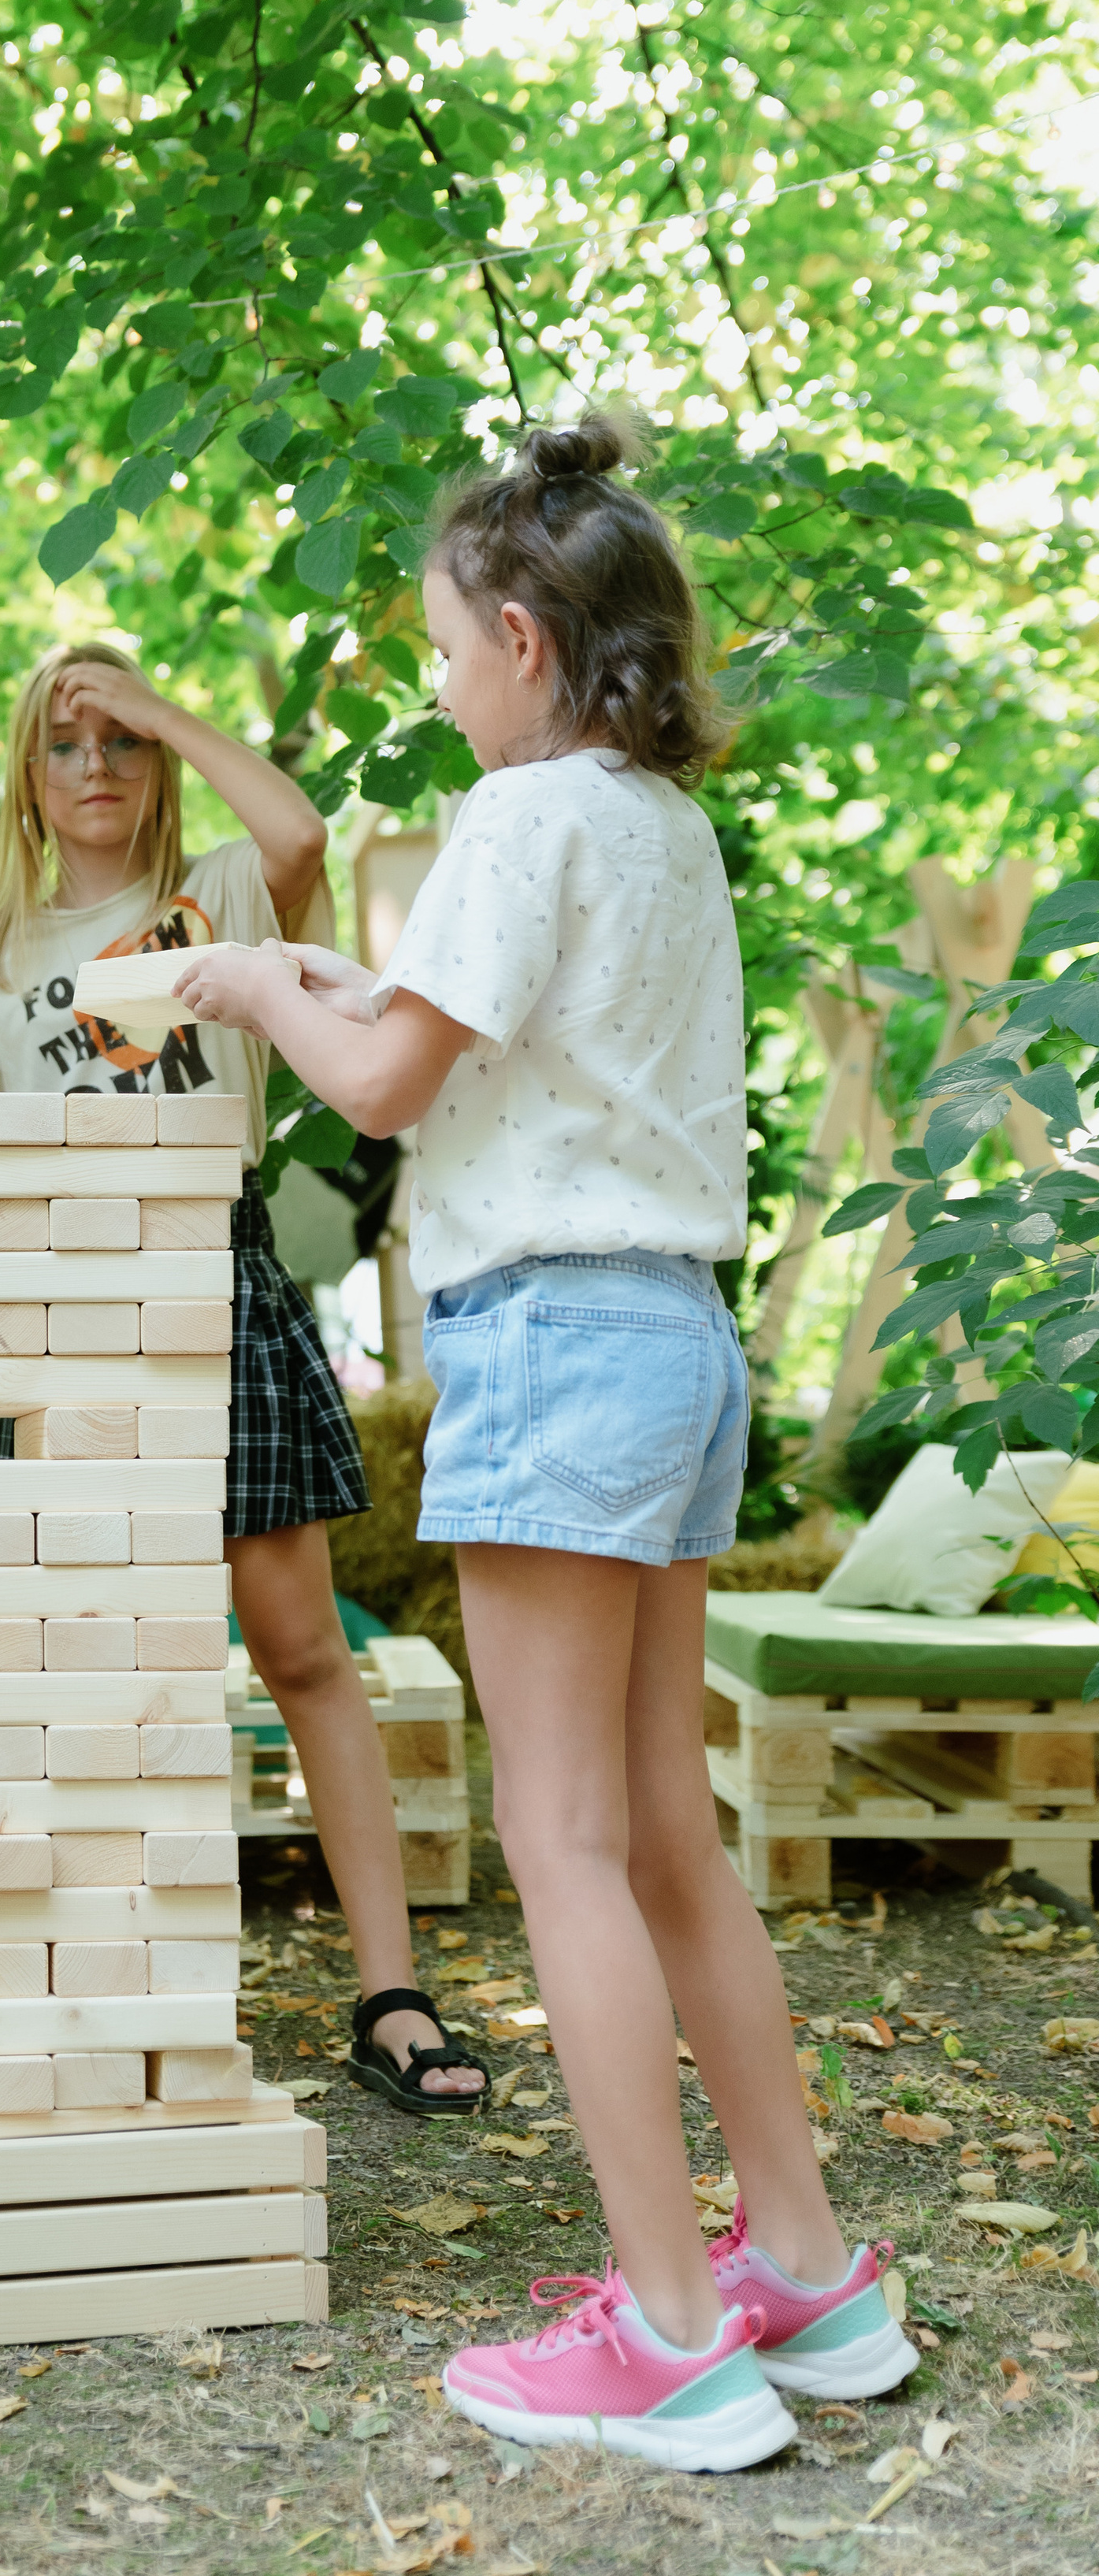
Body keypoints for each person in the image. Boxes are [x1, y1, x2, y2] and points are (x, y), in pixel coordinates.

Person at [172, 415, 912, 2468]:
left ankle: (668, 2333)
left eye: (438, 646)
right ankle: (804, 2271)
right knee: (669, 1832)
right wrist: (333, 978)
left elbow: (394, 1089)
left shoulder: (514, 820)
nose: (431, 681)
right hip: (671, 1340)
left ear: (516, 637)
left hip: (555, 1347)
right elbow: (491, 1045)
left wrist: (247, 979)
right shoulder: (656, 824)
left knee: (565, 1841)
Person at [0, 637, 487, 2115]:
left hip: (216, 1268)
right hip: (65, 1302)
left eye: (121, 743)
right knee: (99, 1673)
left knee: (301, 1645)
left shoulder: (224, 904)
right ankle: (108, 1994)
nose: (99, 769)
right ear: (28, 780)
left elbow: (304, 831)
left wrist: (150, 700)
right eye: (67, 745)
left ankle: (389, 1993)